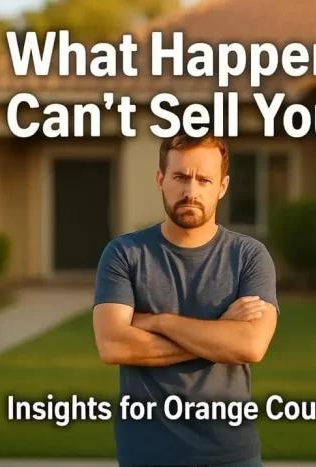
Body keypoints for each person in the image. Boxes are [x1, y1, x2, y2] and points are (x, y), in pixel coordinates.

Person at [92, 132, 279, 467]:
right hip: (145, 453)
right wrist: (219, 333)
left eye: (204, 180)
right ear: (161, 180)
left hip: (230, 453)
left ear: (221, 187)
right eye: (180, 177)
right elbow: (114, 346)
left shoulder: (249, 256)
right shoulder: (124, 254)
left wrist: (158, 322)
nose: (191, 191)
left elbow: (250, 346)